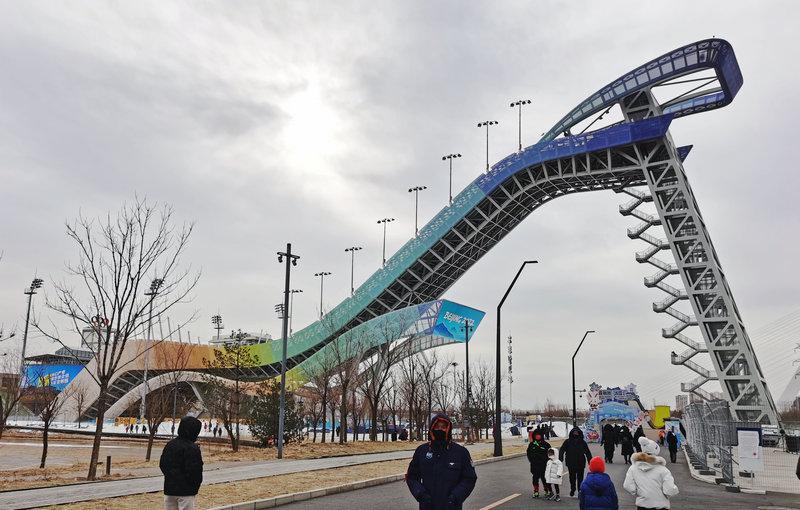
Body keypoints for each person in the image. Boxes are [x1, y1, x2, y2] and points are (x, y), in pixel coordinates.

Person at [405, 414, 477, 509]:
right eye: (437, 426)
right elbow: (411, 477)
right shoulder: (421, 451)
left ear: (448, 429)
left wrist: (455, 497)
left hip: (451, 507)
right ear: (432, 428)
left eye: (443, 427)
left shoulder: (460, 452)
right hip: (427, 506)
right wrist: (421, 494)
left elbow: (469, 478)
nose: (440, 429)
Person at [159, 416, 203, 510]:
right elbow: (195, 471)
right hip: (186, 492)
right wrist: (194, 486)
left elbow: (163, 464)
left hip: (169, 489)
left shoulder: (170, 444)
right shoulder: (192, 448)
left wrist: (171, 477)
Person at [623, 437, 678, 510]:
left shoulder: (633, 468)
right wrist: (675, 490)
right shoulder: (663, 470)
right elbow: (670, 490)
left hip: (642, 505)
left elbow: (628, 486)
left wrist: (640, 492)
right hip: (661, 506)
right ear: (656, 450)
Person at [560, 427, 592, 497]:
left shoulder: (582, 442)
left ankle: (579, 491)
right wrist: (560, 458)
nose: (575, 433)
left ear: (579, 433)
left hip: (580, 463)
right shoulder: (567, 442)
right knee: (572, 478)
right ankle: (573, 488)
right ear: (571, 433)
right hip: (570, 463)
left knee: (580, 478)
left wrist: (590, 461)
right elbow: (562, 449)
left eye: (577, 432)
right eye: (574, 432)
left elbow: (587, 452)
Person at [527, 427, 552, 498]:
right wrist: (531, 460)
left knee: (545, 479)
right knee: (535, 479)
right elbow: (528, 453)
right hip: (535, 465)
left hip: (544, 465)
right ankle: (536, 491)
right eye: (536, 435)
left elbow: (550, 454)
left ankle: (547, 490)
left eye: (539, 435)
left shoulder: (546, 444)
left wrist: (548, 461)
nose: (538, 436)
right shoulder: (531, 444)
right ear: (534, 436)